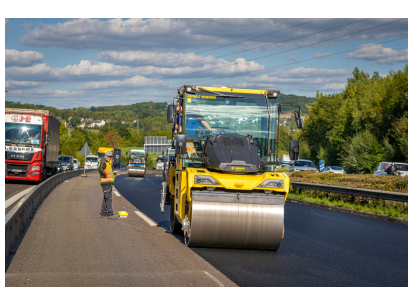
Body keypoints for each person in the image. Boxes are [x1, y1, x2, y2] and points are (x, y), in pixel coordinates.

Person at [98, 150, 117, 219]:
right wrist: (105, 175)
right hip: (106, 183)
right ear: (105, 156)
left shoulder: (107, 163)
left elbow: (106, 171)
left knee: (105, 198)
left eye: (111, 157)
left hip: (107, 182)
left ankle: (103, 212)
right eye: (109, 156)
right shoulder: (103, 162)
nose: (110, 158)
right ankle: (110, 214)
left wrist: (112, 174)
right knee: (109, 198)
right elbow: (100, 169)